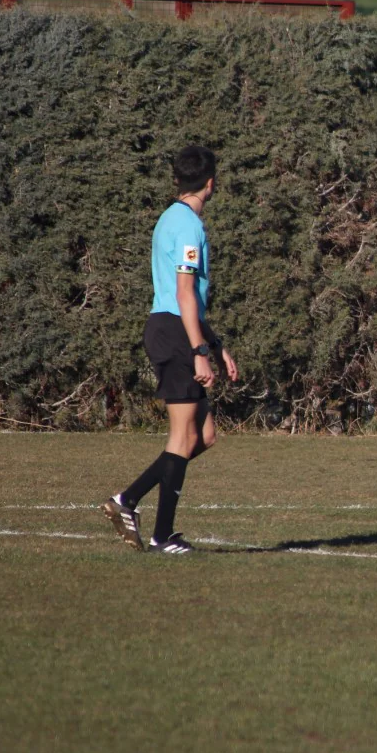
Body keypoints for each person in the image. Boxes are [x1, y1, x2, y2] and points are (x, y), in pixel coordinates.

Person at [100, 146, 238, 553]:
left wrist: (216, 345)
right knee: (181, 436)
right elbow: (183, 294)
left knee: (205, 435)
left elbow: (189, 296)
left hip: (178, 328)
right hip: (175, 331)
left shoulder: (169, 219)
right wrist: (198, 349)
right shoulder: (189, 227)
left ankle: (126, 500)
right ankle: (162, 536)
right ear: (210, 183)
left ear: (178, 180)